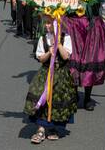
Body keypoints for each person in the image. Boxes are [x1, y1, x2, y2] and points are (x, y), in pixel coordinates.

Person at [24, 15, 77, 144]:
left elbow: (66, 57)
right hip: (45, 72)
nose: (47, 26)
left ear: (57, 24)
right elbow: (40, 58)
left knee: (58, 98)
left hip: (61, 73)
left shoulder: (66, 38)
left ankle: (53, 128)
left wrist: (58, 45)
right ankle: (40, 129)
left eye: (50, 23)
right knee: (41, 98)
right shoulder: (43, 38)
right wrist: (49, 52)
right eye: (46, 23)